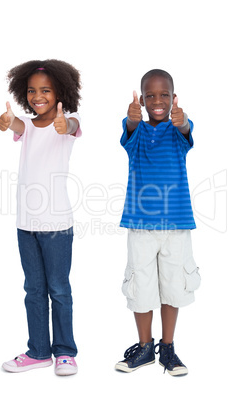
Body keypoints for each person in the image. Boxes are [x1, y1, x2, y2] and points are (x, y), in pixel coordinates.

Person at [0, 59, 82, 375]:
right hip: (26, 225)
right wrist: (7, 120)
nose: (38, 96)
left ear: (61, 92)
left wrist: (65, 124)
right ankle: (38, 351)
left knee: (59, 289)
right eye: (32, 91)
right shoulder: (28, 125)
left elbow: (71, 127)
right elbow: (16, 124)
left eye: (45, 90)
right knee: (33, 289)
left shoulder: (69, 122)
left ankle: (65, 352)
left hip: (57, 225)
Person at [115, 69, 200, 376]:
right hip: (140, 226)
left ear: (173, 97)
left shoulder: (179, 132)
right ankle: (144, 347)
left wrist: (183, 120)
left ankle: (168, 347)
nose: (157, 100)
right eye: (149, 95)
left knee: (173, 287)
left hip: (176, 226)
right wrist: (133, 117)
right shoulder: (134, 133)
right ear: (142, 99)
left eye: (164, 94)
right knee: (140, 288)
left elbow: (186, 127)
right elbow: (130, 125)